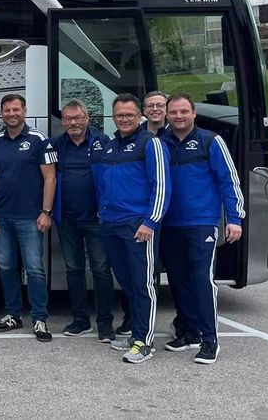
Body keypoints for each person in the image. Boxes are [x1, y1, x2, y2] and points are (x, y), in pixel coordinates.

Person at [161, 93, 244, 365]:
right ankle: (188, 332)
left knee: (201, 279)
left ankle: (210, 340)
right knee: (178, 280)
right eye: (173, 112)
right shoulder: (161, 143)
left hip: (202, 224)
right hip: (170, 224)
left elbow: (229, 182)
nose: (178, 116)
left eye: (183, 111)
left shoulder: (211, 141)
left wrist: (235, 218)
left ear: (194, 113)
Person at [94, 93, 170, 364]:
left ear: (140, 116)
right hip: (111, 225)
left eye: (129, 115)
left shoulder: (151, 143)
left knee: (142, 284)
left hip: (138, 226)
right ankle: (136, 334)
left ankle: (143, 341)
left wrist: (150, 222)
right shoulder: (111, 146)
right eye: (119, 115)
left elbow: (161, 185)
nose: (124, 119)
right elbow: (104, 185)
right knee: (127, 283)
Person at [0, 93, 57, 342]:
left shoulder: (39, 140)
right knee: (6, 267)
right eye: (7, 110)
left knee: (34, 269)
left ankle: (40, 319)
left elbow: (50, 177)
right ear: (2, 113)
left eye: (16, 110)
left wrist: (46, 212)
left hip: (30, 217)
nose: (11, 114)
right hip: (1, 217)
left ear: (24, 111)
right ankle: (13, 314)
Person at [49, 100, 116, 342]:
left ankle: (105, 323)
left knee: (100, 270)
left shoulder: (103, 143)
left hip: (97, 219)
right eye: (68, 118)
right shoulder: (56, 145)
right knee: (74, 270)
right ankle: (80, 319)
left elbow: (113, 179)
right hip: (67, 219)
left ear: (87, 118)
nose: (73, 123)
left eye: (77, 118)